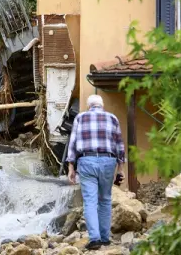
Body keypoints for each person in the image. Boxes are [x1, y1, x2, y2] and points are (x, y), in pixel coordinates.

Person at [66, 94, 126, 250]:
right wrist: (121, 169)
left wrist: (70, 167)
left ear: (88, 106)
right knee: (105, 199)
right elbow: (119, 145)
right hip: (108, 161)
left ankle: (95, 239)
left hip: (86, 161)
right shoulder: (112, 118)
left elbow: (72, 143)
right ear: (102, 105)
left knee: (90, 201)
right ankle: (105, 238)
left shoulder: (80, 117)